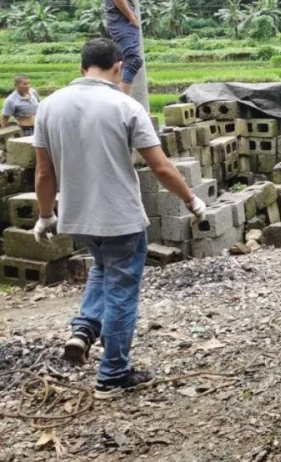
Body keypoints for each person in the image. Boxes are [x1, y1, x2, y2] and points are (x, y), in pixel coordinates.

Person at [33, 38, 206, 399]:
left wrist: (45, 215)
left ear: (82, 68)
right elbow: (159, 166)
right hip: (120, 219)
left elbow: (44, 174)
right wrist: (191, 200)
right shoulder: (124, 105)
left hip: (77, 217)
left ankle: (82, 329)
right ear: (116, 68)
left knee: (101, 268)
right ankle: (113, 374)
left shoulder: (48, 107)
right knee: (122, 293)